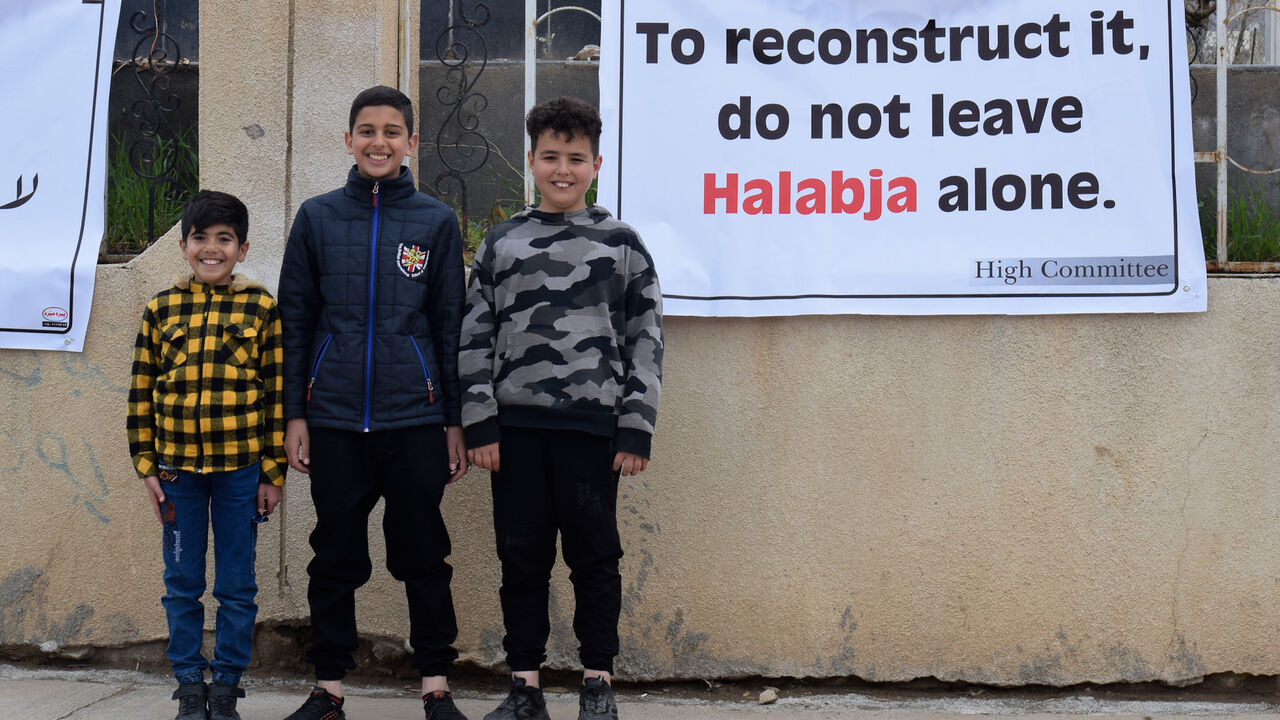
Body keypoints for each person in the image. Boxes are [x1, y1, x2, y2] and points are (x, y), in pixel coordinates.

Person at [461, 96, 663, 720]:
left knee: (595, 560)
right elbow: (474, 336)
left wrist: (636, 428)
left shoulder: (623, 245)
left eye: (576, 158)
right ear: (531, 161)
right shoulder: (503, 242)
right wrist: (479, 422)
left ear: (596, 164)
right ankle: (525, 688)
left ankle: (597, 684)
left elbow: (646, 340)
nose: (563, 169)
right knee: (520, 558)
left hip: (592, 433)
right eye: (550, 157)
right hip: (514, 432)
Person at [276, 85, 469, 720]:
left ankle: (435, 686)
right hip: (332, 421)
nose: (379, 141)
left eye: (392, 131)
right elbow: (296, 322)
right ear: (349, 139)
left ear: (413, 142)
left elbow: (448, 326)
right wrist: (295, 415)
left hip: (414, 420)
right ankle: (328, 689)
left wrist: (453, 424)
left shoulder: (436, 222)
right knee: (334, 555)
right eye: (367, 130)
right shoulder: (317, 217)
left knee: (422, 554)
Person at [127, 189, 285, 720]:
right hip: (176, 474)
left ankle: (227, 687)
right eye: (201, 238)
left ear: (242, 248)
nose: (211, 249)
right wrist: (146, 466)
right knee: (182, 581)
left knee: (237, 583)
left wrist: (273, 471)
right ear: (183, 245)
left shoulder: (261, 307)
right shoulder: (161, 309)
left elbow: (276, 396)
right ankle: (191, 685)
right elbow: (142, 393)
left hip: (241, 473)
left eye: (224, 239)